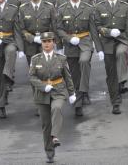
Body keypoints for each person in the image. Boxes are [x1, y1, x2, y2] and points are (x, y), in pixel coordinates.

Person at [57, 0, 102, 116]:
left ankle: (81, 94)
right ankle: (78, 100)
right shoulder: (62, 8)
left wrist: (99, 49)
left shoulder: (88, 8)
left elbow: (93, 29)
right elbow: (59, 29)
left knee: (84, 61)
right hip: (71, 45)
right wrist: (69, 39)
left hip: (85, 42)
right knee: (74, 74)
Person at [29, 32, 75, 164]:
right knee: (46, 125)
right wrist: (43, 87)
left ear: (54, 42)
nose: (47, 44)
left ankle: (55, 136)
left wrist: (72, 93)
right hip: (42, 94)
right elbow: (31, 77)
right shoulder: (35, 59)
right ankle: (49, 152)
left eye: (49, 41)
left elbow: (67, 76)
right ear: (41, 43)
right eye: (44, 41)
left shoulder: (61, 58)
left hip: (58, 91)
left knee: (57, 108)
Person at [94, 0, 128, 114]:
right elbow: (97, 26)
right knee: (110, 73)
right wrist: (107, 32)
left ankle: (120, 82)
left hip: (123, 38)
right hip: (107, 41)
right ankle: (115, 101)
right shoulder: (99, 7)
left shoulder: (124, 6)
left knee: (120, 53)